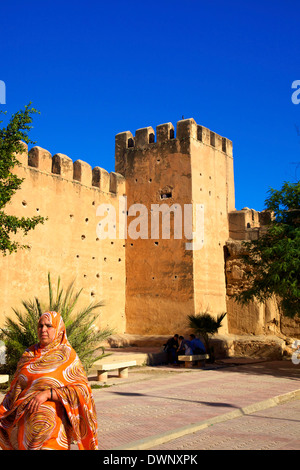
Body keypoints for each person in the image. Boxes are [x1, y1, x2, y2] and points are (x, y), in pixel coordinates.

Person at [0, 311, 98, 450]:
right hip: (26, 429)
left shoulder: (67, 356)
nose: (43, 330)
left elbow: (83, 391)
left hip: (54, 431)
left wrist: (47, 394)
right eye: (40, 326)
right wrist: (3, 412)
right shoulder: (28, 354)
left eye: (48, 326)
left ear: (59, 328)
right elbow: (14, 390)